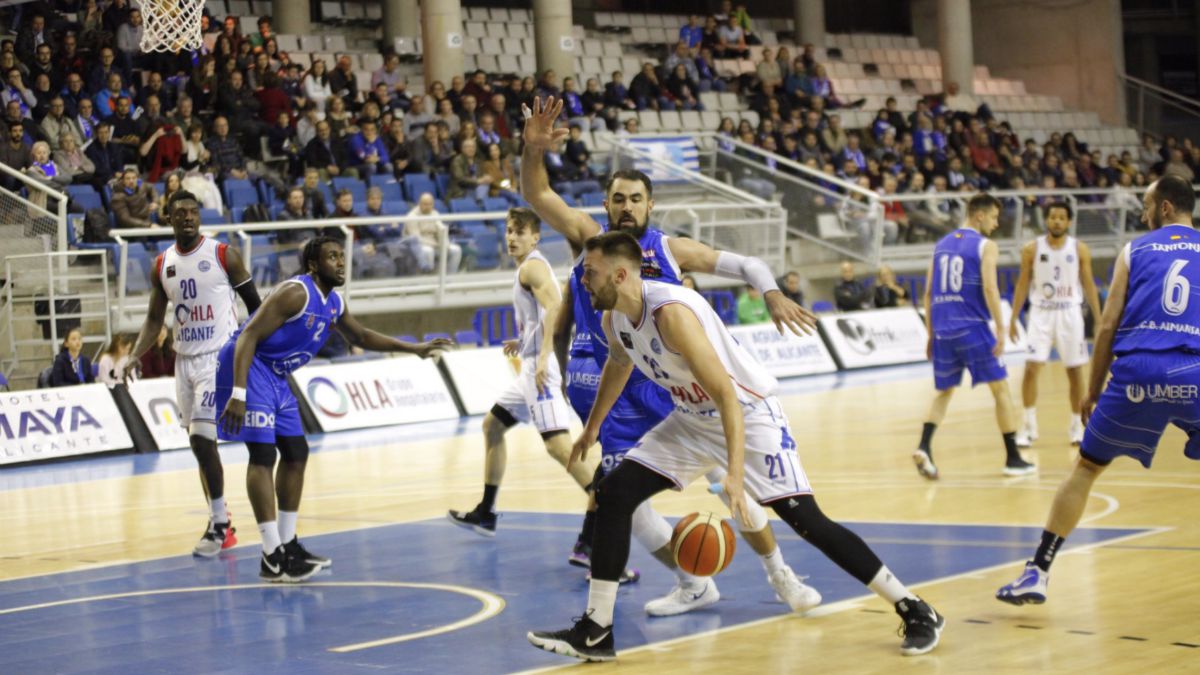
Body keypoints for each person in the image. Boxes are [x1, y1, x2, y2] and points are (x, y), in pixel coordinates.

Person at [527, 231, 945, 661]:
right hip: (691, 420)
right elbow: (619, 360)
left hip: (748, 414)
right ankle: (597, 630)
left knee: (806, 520)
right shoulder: (614, 316)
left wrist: (733, 476)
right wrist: (593, 426)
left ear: (619, 274)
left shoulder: (671, 315)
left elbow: (727, 396)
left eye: (590, 273)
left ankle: (915, 607)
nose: (583, 282)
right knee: (613, 493)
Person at [522, 96, 819, 617]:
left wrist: (771, 289)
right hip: (615, 389)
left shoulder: (671, 249)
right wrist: (532, 149)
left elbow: (746, 264)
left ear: (650, 205)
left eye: (636, 199)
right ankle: (692, 581)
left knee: (733, 488)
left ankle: (781, 575)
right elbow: (537, 191)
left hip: (670, 385)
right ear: (607, 203)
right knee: (620, 501)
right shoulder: (588, 241)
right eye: (618, 199)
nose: (627, 207)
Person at [996, 174, 1200, 606]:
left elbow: (1107, 325)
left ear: (1164, 208)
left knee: (1086, 468)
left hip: (1137, 371)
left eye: (1147, 205)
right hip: (1192, 370)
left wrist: (1091, 391)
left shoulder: (1135, 250)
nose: (1143, 214)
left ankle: (1038, 572)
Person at [218, 237, 448, 582]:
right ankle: (271, 554)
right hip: (248, 367)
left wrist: (412, 348)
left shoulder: (334, 303)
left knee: (296, 452)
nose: (341, 262)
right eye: (332, 257)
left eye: (342, 256)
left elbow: (361, 337)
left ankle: (288, 542)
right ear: (314, 265)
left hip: (276, 374)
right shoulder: (295, 293)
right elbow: (248, 335)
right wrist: (238, 393)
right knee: (263, 455)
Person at [120, 190, 261, 556]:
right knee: (199, 447)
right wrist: (136, 354)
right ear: (168, 218)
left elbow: (257, 308)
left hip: (219, 357)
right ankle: (220, 521)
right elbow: (154, 319)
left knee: (201, 437)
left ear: (200, 217)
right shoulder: (162, 263)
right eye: (179, 212)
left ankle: (219, 524)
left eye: (193, 212)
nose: (187, 217)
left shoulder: (222, 254)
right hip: (184, 360)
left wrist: (254, 348)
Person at [447, 208, 591, 533]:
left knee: (558, 447)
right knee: (492, 426)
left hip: (542, 366)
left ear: (535, 237)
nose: (512, 237)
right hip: (530, 365)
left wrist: (542, 357)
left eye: (520, 232)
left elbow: (556, 305)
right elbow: (542, 313)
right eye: (509, 231)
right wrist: (525, 338)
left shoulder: (533, 268)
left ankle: (606, 505)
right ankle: (486, 511)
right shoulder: (528, 268)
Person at [912, 193, 1037, 481]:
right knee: (1001, 391)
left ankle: (924, 446)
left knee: (943, 392)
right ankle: (1013, 458)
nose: (995, 224)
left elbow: (929, 293)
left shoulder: (941, 245)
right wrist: (1002, 329)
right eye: (994, 217)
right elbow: (991, 289)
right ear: (979, 215)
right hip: (972, 326)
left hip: (943, 330)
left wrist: (931, 334)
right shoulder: (985, 245)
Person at [1008, 202, 1102, 448]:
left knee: (1075, 372)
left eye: (1061, 217)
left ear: (1069, 221)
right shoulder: (1031, 249)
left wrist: (1099, 318)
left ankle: (1078, 426)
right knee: (1031, 369)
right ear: (1046, 220)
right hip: (1041, 313)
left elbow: (1089, 284)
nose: (1057, 221)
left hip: (1069, 313)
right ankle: (1028, 427)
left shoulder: (1079, 249)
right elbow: (1022, 284)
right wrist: (1013, 318)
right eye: (1052, 217)